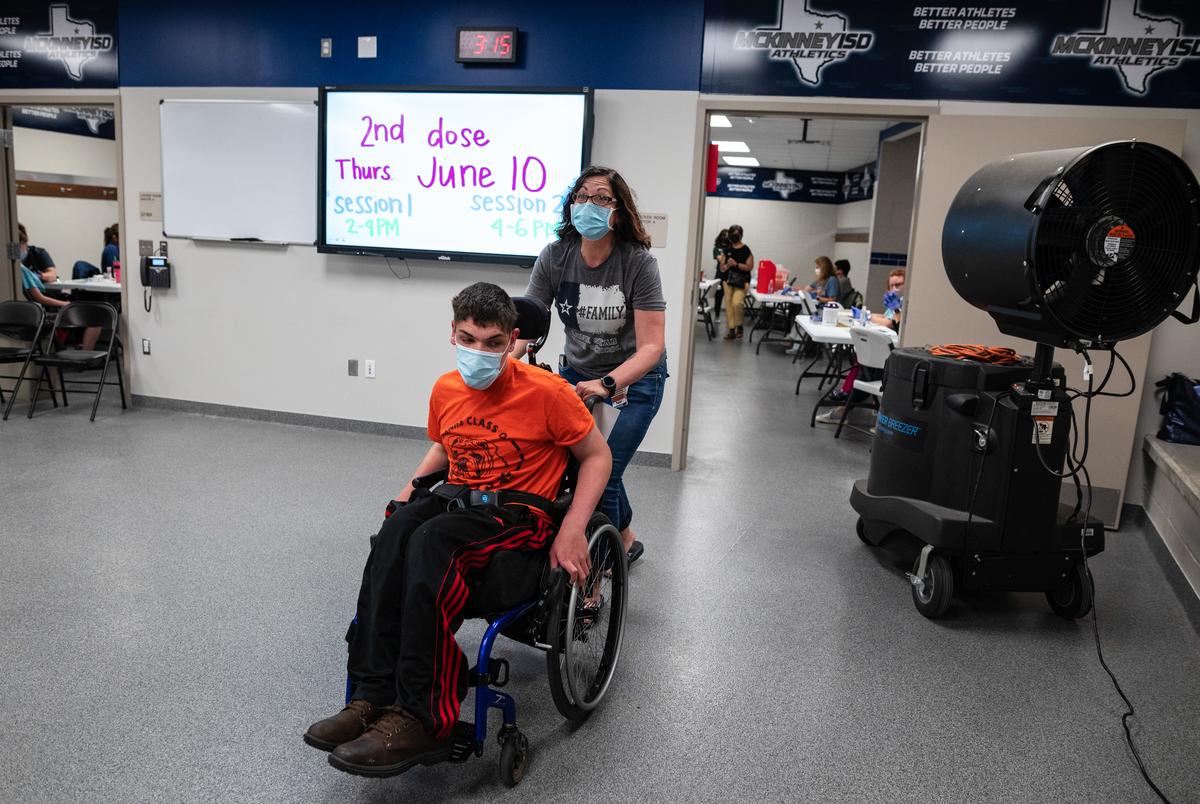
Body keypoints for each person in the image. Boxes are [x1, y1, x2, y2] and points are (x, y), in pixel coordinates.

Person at [305, 282, 612, 777]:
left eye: (493, 343)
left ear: (513, 339)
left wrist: (574, 528)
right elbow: (445, 451)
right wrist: (404, 496)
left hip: (519, 514)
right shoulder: (446, 388)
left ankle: (424, 718)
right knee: (397, 532)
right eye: (468, 339)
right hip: (460, 501)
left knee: (431, 542)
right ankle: (370, 696)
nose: (479, 352)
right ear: (452, 333)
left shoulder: (549, 394)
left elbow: (597, 456)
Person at [523, 165, 667, 564]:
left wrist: (607, 382)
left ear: (618, 210)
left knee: (602, 471)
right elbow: (529, 323)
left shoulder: (638, 263)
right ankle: (622, 535)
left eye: (601, 197)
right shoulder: (555, 256)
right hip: (577, 372)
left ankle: (600, 563)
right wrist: (499, 361)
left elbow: (652, 346)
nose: (589, 204)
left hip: (634, 380)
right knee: (581, 467)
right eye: (581, 196)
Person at [18, 224, 100, 351]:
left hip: (39, 309)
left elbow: (52, 275)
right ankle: (85, 357)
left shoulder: (23, 266)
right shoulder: (23, 271)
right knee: (95, 317)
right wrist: (66, 304)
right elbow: (40, 298)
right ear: (22, 243)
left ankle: (65, 346)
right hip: (41, 313)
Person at [719, 224, 753, 340]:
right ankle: (731, 330)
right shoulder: (727, 250)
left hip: (742, 282)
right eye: (733, 234)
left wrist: (736, 264)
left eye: (737, 234)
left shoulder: (746, 249)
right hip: (727, 281)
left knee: (737, 303)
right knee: (728, 305)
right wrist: (727, 265)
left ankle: (739, 326)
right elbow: (721, 268)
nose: (734, 236)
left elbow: (749, 267)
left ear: (741, 235)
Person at [710, 228, 730, 319]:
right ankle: (717, 315)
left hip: (730, 275)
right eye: (724, 235)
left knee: (730, 297)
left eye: (727, 235)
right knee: (719, 295)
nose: (725, 237)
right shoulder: (717, 249)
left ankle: (730, 318)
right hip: (720, 274)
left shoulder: (731, 248)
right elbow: (720, 259)